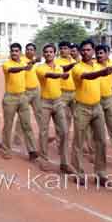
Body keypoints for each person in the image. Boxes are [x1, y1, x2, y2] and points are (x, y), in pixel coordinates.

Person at [69, 40, 112, 185]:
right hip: (81, 108)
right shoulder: (77, 68)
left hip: (97, 107)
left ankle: (101, 174)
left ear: (93, 51)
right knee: (78, 141)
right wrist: (103, 72)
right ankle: (78, 173)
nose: (85, 52)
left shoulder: (98, 65)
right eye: (83, 50)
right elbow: (88, 76)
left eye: (88, 50)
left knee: (101, 141)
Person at [35, 44, 74, 173]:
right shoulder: (40, 68)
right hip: (44, 103)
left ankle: (65, 163)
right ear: (43, 54)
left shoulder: (59, 67)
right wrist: (61, 75)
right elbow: (49, 75)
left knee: (64, 131)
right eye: (46, 52)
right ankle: (44, 159)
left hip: (58, 102)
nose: (48, 54)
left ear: (54, 53)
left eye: (51, 52)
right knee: (43, 132)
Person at [1, 43, 37, 161]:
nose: (14, 53)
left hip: (23, 97)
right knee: (8, 125)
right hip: (10, 98)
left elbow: (29, 66)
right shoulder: (6, 64)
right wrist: (23, 68)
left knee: (27, 125)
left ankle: (32, 151)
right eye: (12, 51)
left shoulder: (23, 63)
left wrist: (34, 61)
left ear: (20, 53)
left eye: (16, 51)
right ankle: (6, 150)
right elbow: (12, 70)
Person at [94, 44, 112, 161]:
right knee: (97, 130)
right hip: (96, 100)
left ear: (108, 54)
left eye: (101, 53)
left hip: (110, 99)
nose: (99, 55)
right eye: (97, 53)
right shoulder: (93, 66)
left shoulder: (111, 62)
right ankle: (95, 154)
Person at [13, 43, 42, 146]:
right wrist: (34, 61)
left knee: (40, 113)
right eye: (27, 49)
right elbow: (26, 66)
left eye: (31, 49)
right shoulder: (22, 60)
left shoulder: (36, 62)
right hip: (25, 91)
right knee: (22, 115)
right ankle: (17, 136)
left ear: (34, 51)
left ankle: (44, 135)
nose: (29, 51)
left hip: (36, 90)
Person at [55, 41, 78, 130]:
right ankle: (62, 137)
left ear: (69, 50)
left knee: (78, 117)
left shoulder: (74, 61)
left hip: (75, 93)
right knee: (63, 118)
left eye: (65, 48)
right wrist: (73, 64)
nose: (62, 50)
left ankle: (77, 138)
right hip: (62, 93)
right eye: (61, 48)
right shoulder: (56, 61)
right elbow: (63, 69)